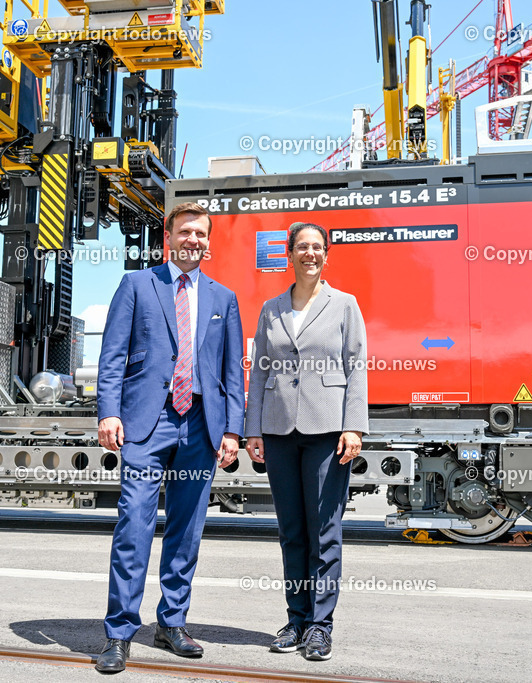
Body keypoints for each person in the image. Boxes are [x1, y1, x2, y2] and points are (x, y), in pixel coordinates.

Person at [94, 202, 245, 674]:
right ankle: (120, 632)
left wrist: (233, 430)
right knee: (134, 524)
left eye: (201, 234)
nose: (193, 241)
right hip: (146, 423)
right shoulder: (138, 284)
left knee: (187, 528)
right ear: (169, 235)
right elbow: (112, 355)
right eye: (186, 232)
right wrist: (108, 413)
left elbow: (231, 374)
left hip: (200, 424)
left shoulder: (224, 298)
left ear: (208, 241)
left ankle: (172, 622)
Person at [244, 222, 368, 662]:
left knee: (324, 531)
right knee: (291, 531)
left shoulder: (345, 305)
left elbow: (357, 367)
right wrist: (252, 428)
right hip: (279, 431)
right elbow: (259, 370)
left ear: (326, 254)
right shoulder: (271, 307)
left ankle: (320, 625)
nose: (310, 253)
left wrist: (354, 426)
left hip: (327, 431)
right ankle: (296, 619)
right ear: (290, 254)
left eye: (317, 247)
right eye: (302, 247)